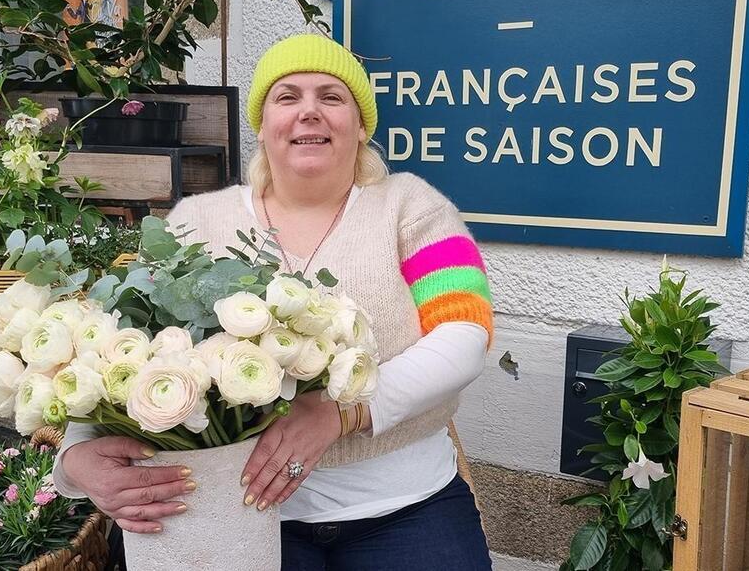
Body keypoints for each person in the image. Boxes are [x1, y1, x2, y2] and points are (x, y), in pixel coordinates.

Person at [53, 33, 494, 569]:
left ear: (360, 126)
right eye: (288, 97)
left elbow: (465, 334)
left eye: (331, 98)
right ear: (262, 126)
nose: (309, 112)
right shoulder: (197, 221)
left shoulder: (410, 208)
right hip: (224, 511)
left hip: (404, 508)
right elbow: (119, 349)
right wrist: (74, 456)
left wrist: (345, 413)